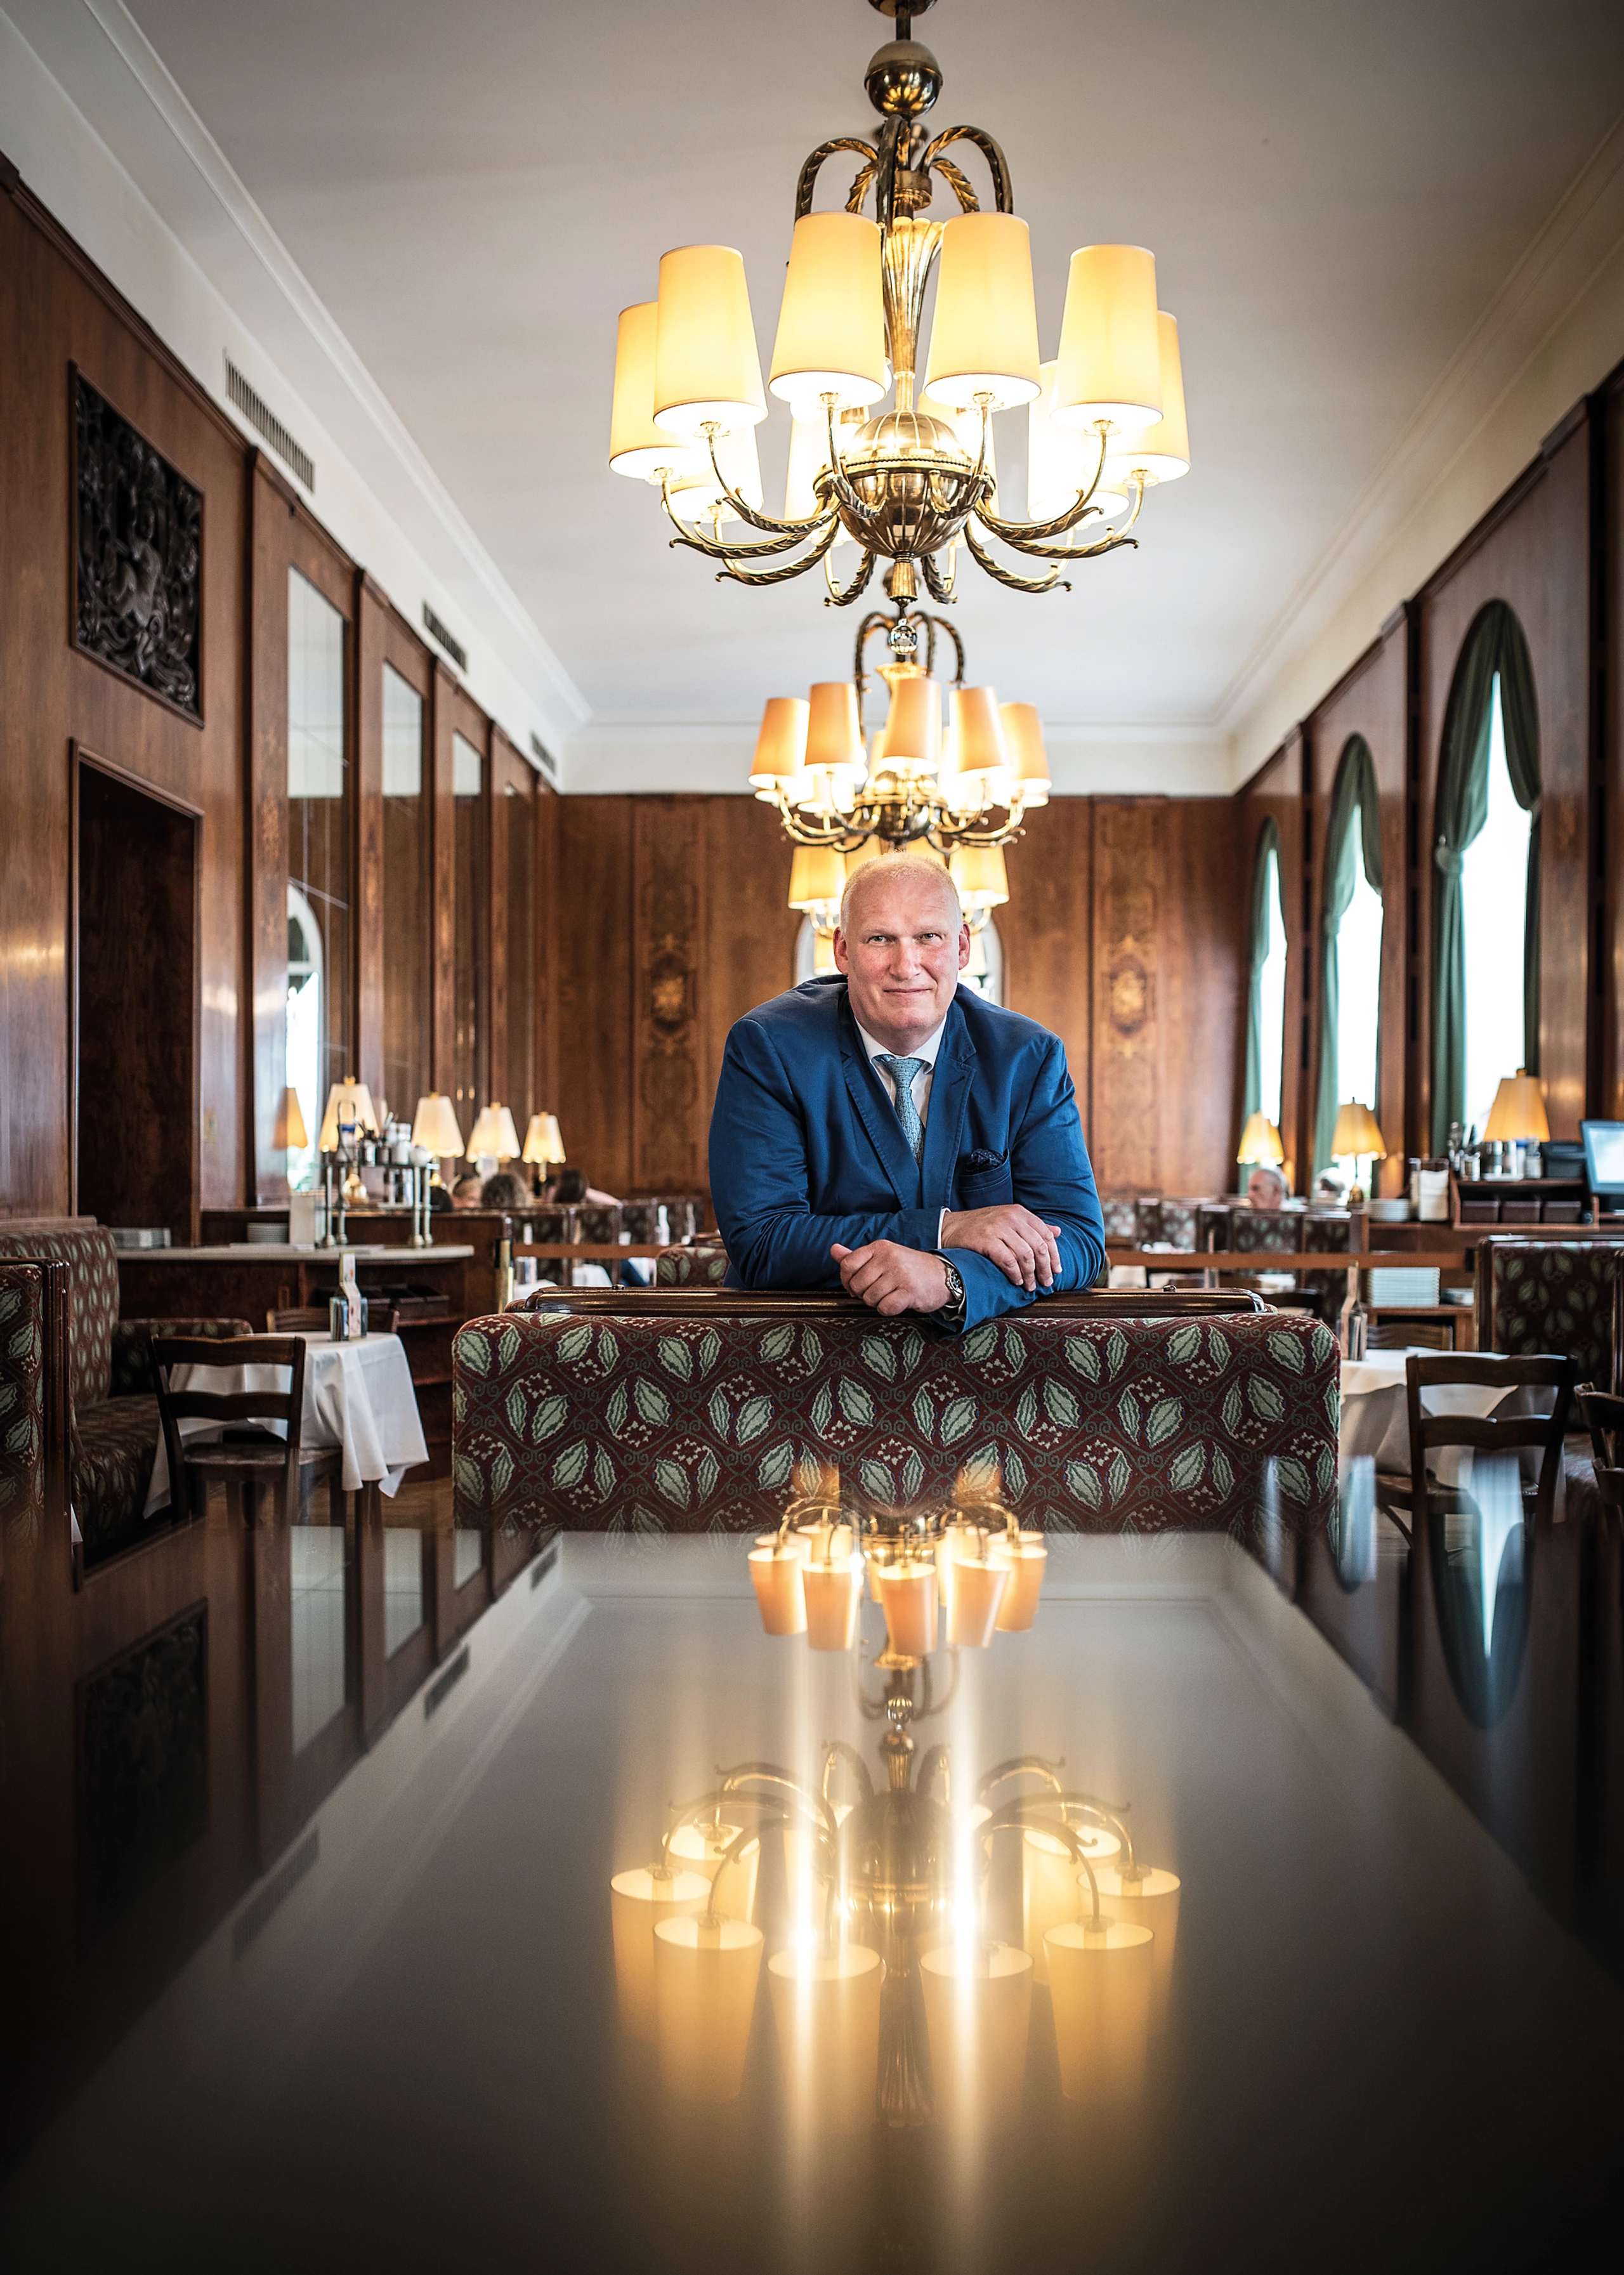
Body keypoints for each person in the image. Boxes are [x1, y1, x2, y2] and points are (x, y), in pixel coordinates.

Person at [709, 851, 1106, 1332]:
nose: (906, 965)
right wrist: (946, 1229)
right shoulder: (768, 1046)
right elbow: (762, 1241)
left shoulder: (1028, 1057)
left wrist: (952, 1276)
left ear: (961, 948)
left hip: (983, 1366)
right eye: (880, 939)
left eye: (928, 937)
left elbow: (1079, 1240)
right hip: (798, 1353)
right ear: (843, 951)